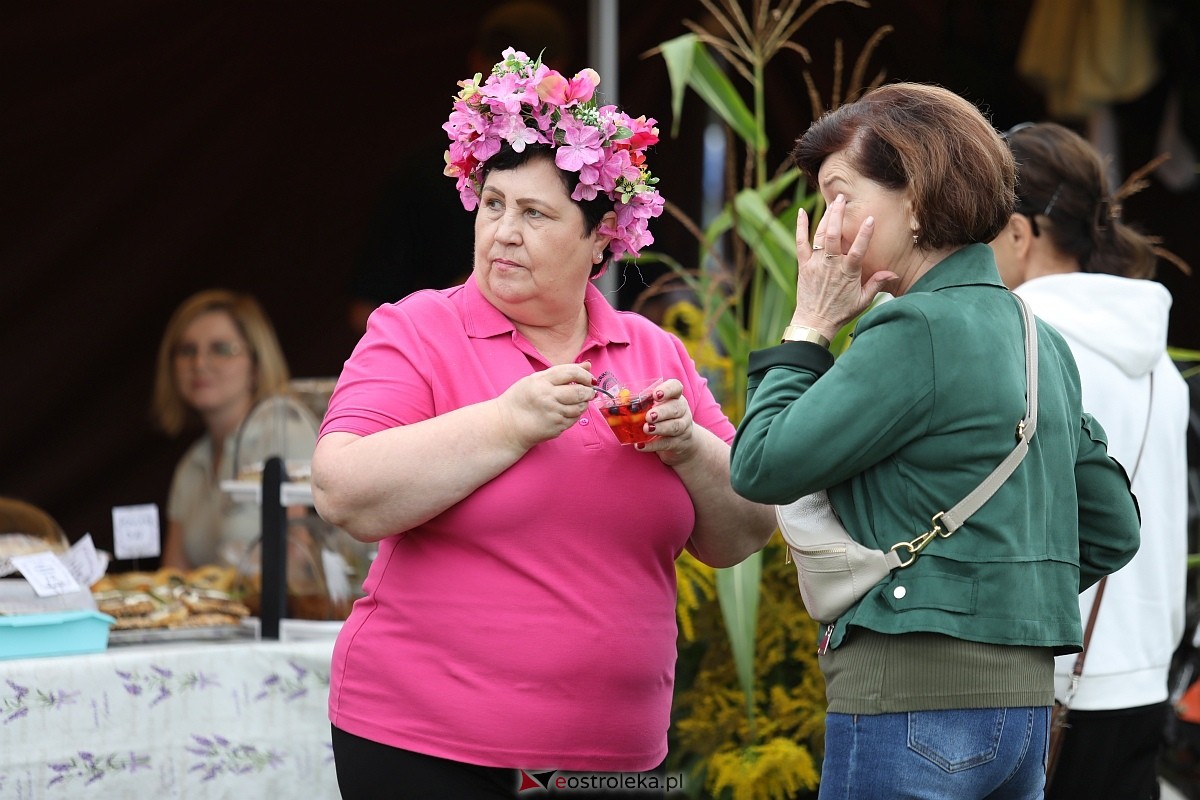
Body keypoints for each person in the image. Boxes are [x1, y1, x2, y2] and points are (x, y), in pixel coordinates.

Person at [311, 48, 777, 799]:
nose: (503, 231)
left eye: (535, 213)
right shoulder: (417, 329)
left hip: (613, 760)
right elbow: (342, 492)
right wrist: (508, 422)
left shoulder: (653, 350)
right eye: (493, 204)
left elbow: (743, 533)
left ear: (601, 236)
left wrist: (689, 446)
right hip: (425, 741)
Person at [728, 82, 1143, 799]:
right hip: (1023, 717)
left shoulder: (912, 327)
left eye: (839, 197)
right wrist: (990, 596)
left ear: (915, 200)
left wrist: (809, 327)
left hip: (906, 702)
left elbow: (761, 464)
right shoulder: (1039, 339)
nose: (825, 230)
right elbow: (1113, 529)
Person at [990, 121, 1190, 800]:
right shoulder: (1157, 357)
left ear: (1020, 232)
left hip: (1048, 680)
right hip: (1144, 676)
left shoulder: (1020, 339)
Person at [345, 0, 574, 334]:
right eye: (492, 203)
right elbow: (368, 307)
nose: (516, 88)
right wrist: (456, 311)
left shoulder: (588, 166)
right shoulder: (427, 173)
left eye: (535, 212)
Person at [151, 288, 317, 572]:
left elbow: (304, 560)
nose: (199, 363)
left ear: (256, 365)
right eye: (187, 350)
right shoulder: (191, 465)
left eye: (221, 349)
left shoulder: (286, 430)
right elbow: (172, 578)